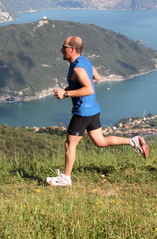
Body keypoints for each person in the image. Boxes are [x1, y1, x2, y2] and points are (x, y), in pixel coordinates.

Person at [46, 36, 149, 187]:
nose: (61, 50)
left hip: (83, 112)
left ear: (72, 49)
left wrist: (66, 93)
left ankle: (65, 178)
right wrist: (74, 88)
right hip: (93, 109)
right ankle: (134, 142)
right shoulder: (84, 61)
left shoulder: (77, 67)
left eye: (64, 47)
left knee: (70, 145)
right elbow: (97, 77)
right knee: (100, 141)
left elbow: (88, 88)